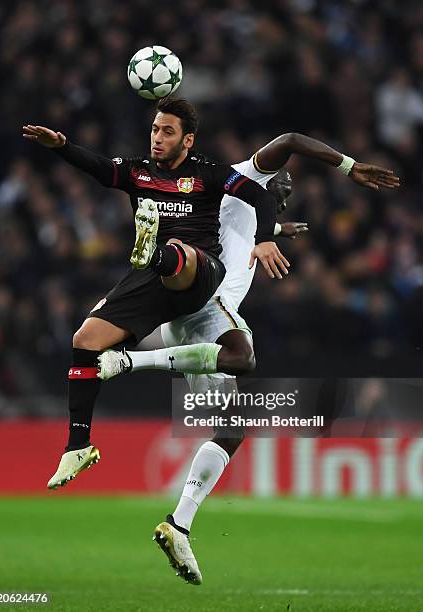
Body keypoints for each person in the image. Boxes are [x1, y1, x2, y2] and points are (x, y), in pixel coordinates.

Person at [97, 132, 400, 585]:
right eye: (282, 186)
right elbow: (292, 139)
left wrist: (277, 230)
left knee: (235, 425)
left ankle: (179, 524)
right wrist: (347, 165)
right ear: (267, 177)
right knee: (242, 354)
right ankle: (128, 362)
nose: (284, 193)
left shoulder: (251, 215)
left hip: (195, 319)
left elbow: (238, 221)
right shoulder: (242, 177)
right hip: (204, 301)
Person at [22, 97, 290, 491]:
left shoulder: (209, 174)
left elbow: (264, 196)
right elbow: (98, 168)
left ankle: (157, 251)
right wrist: (62, 147)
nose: (157, 138)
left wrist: (266, 238)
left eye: (167, 131)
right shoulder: (138, 172)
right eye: (154, 129)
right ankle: (78, 445)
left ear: (187, 140)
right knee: (85, 340)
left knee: (179, 254)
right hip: (153, 280)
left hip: (201, 271)